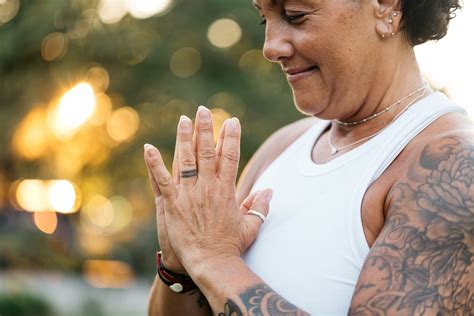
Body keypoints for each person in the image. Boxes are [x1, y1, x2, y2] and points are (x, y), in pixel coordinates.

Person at [145, 0, 473, 314]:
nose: (270, 48)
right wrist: (180, 265)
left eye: (295, 14)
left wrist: (212, 260)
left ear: (387, 6)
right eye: (264, 18)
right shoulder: (282, 147)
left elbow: (215, 265)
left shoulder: (454, 166)